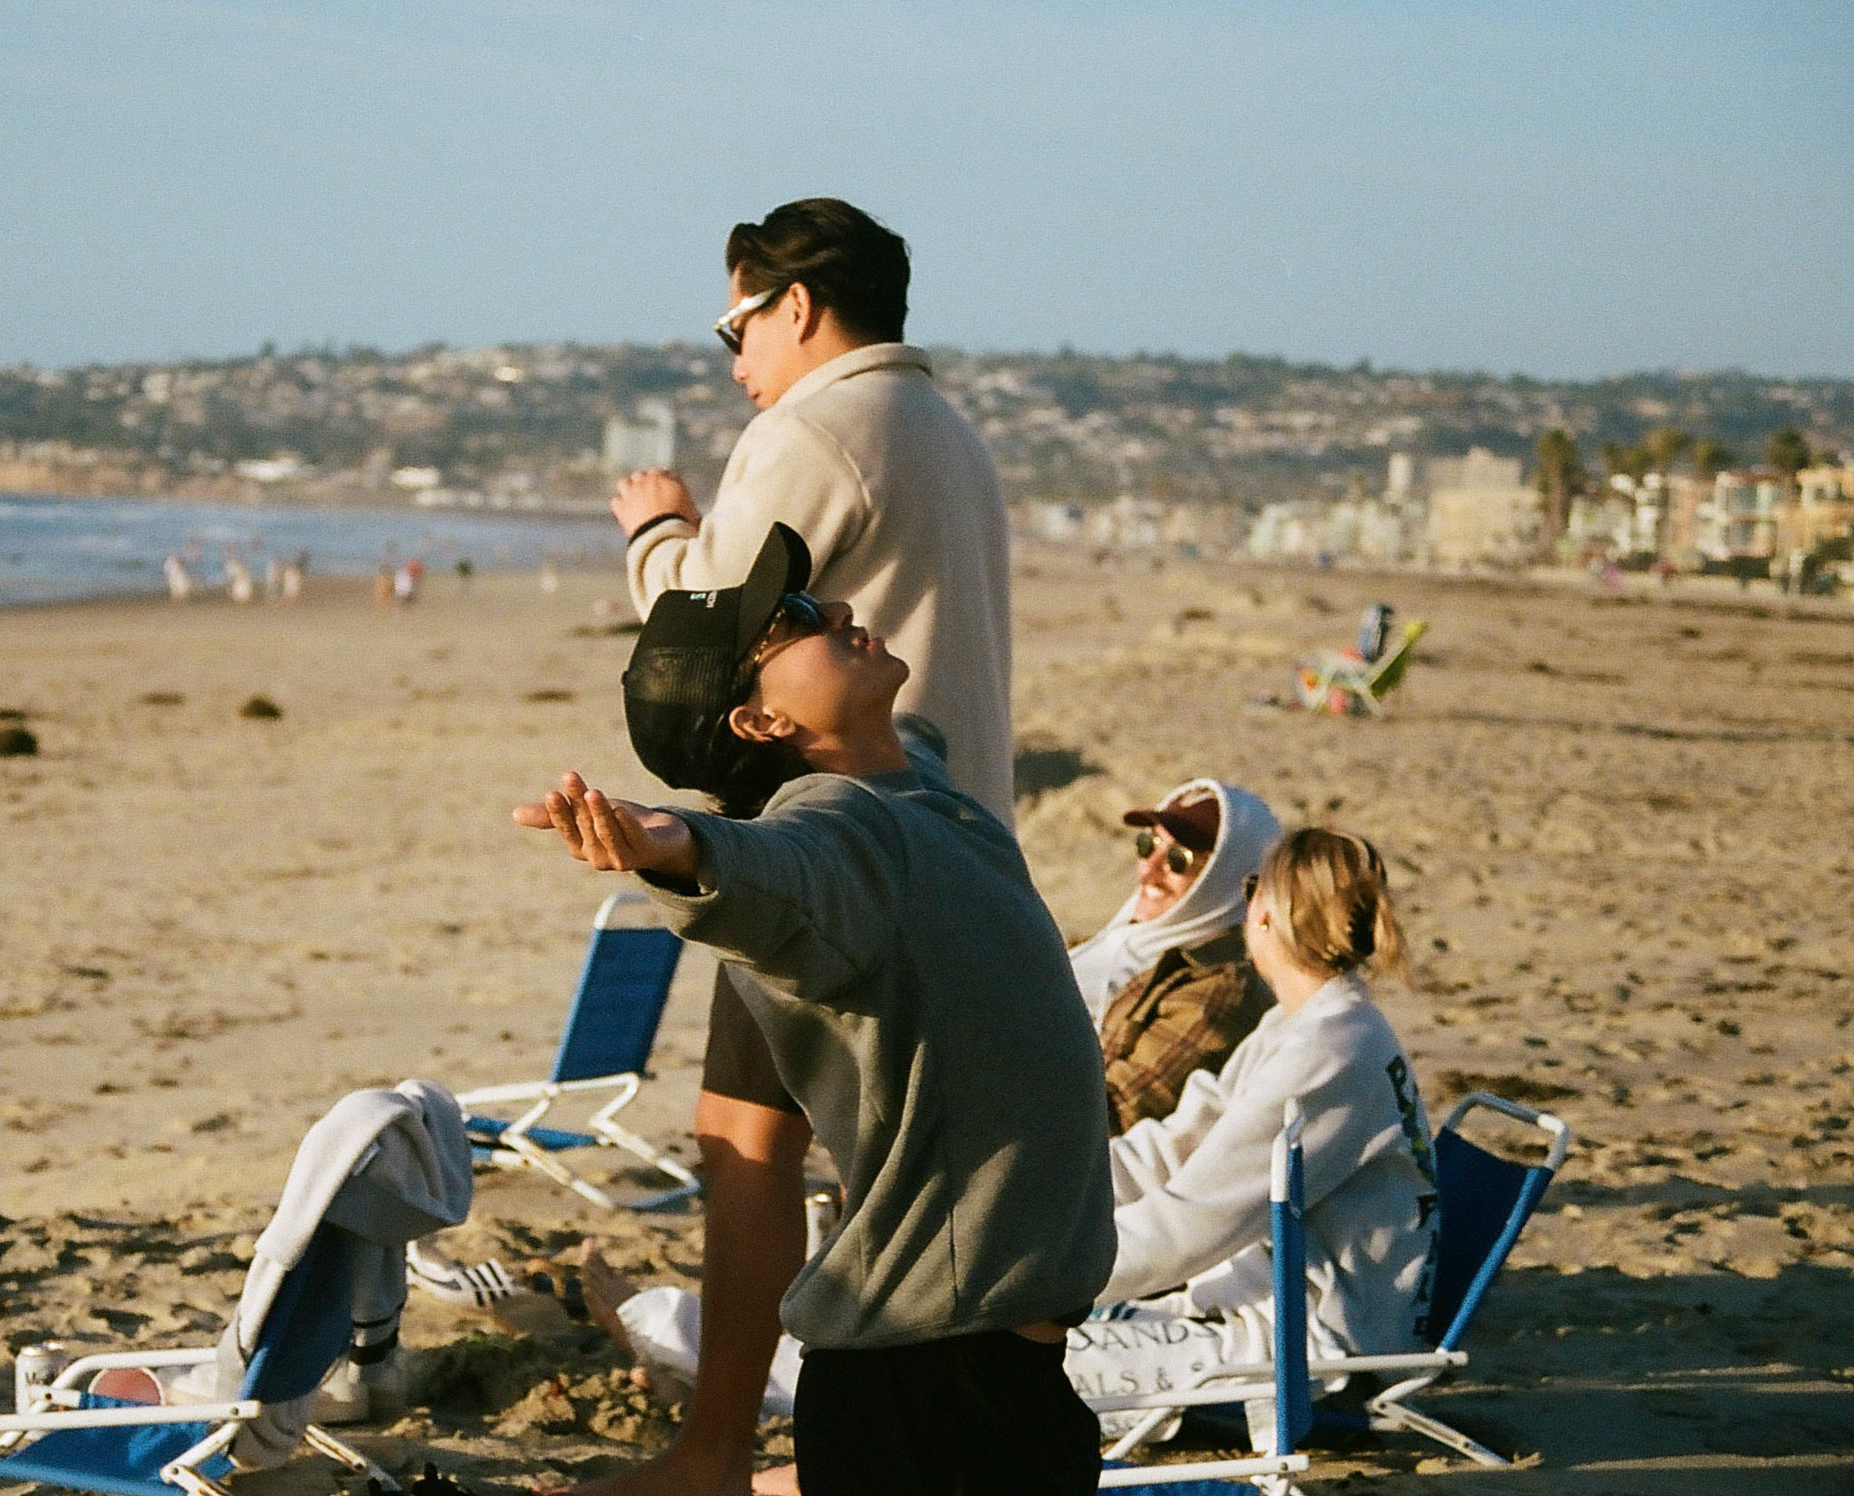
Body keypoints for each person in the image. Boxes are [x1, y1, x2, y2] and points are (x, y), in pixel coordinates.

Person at [514, 524, 1113, 1496]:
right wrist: (671, 843)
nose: (835, 609)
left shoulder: (919, 787)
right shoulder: (840, 830)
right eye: (792, 622)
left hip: (990, 1368)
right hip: (926, 1386)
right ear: (757, 723)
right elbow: (770, 868)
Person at [617, 198, 1014, 811]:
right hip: (968, 808)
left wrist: (656, 524)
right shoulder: (950, 428)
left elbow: (698, 620)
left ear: (796, 307)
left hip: (865, 814)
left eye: (736, 331)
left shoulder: (815, 429)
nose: (737, 365)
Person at [1066, 828, 1438, 1448]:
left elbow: (1197, 1225)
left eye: (1250, 891)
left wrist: (1041, 1275)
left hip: (1309, 1348)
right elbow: (1173, 1148)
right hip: (1260, 1310)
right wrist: (1042, 1191)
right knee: (992, 1342)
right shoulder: (1302, 1023)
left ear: (1266, 915)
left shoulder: (1333, 1050)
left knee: (1001, 1371)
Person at [1075, 781, 1283, 1134]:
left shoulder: (1218, 991)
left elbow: (1109, 1116)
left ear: (1227, 877)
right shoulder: (1131, 937)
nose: (1150, 869)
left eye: (1178, 859)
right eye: (1149, 844)